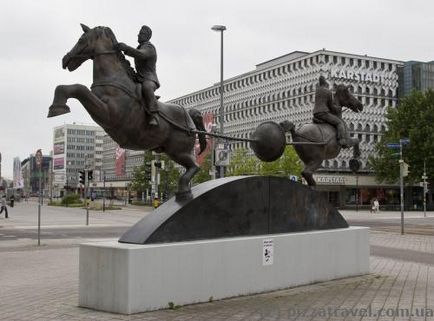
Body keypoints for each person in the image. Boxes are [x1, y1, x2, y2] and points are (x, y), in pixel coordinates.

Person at [116, 25, 160, 126]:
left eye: (141, 34)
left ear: (147, 36)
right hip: (138, 77)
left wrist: (126, 48)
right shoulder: (140, 47)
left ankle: (155, 115)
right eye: (139, 33)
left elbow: (141, 54)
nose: (138, 35)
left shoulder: (150, 48)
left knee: (147, 87)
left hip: (149, 78)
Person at [312, 76, 350, 146]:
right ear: (325, 83)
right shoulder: (328, 92)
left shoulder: (317, 91)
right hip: (323, 113)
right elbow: (331, 106)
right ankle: (341, 140)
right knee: (339, 123)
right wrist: (337, 108)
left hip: (315, 113)